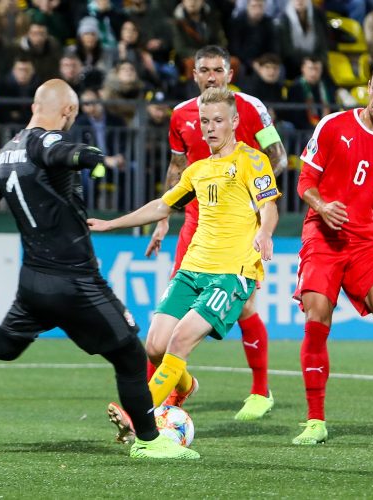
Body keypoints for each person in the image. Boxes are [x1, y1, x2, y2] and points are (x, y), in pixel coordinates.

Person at [0, 78, 198, 460]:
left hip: (33, 281)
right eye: (74, 113)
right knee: (131, 356)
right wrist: (93, 157)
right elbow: (66, 152)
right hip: (73, 281)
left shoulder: (4, 153)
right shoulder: (44, 141)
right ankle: (151, 443)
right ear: (68, 111)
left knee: (4, 346)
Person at [106, 44, 287, 446]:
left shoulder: (253, 142)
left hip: (235, 256)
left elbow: (275, 173)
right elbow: (164, 196)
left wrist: (262, 225)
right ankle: (183, 387)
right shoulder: (194, 156)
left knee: (183, 339)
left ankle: (142, 420)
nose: (208, 127)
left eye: (217, 121)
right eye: (205, 121)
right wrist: (112, 224)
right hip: (196, 244)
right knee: (155, 344)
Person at [292, 60, 373, 445]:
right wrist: (321, 206)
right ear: (368, 85)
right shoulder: (332, 124)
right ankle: (315, 420)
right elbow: (305, 181)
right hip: (324, 237)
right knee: (317, 315)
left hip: (369, 243)